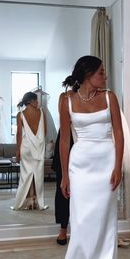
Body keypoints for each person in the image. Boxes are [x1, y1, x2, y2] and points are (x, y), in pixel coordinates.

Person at [54, 55, 129, 259]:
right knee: (82, 221)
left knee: (105, 223)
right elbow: (65, 140)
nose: (105, 76)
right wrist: (65, 175)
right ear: (87, 75)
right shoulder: (66, 100)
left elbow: (118, 134)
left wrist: (118, 166)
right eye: (101, 72)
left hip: (106, 163)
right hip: (80, 166)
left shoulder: (110, 97)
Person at [11, 91, 48, 211]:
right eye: (36, 100)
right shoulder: (42, 112)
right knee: (38, 174)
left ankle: (27, 201)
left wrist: (18, 151)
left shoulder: (20, 115)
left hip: (26, 148)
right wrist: (39, 141)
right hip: (39, 147)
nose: (38, 102)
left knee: (25, 176)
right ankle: (36, 201)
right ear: (30, 101)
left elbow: (19, 135)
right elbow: (45, 131)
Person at [52, 93, 74, 245]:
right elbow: (63, 117)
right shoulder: (65, 97)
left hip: (85, 142)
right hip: (67, 138)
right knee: (63, 189)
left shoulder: (97, 96)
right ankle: (63, 229)